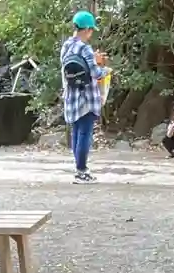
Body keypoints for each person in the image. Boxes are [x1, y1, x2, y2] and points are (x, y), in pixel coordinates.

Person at [61, 11, 110, 182]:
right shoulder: (85, 48)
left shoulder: (66, 46)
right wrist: (105, 69)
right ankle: (81, 171)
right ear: (87, 29)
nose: (91, 34)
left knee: (76, 133)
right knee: (84, 135)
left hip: (71, 97)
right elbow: (95, 73)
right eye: (91, 30)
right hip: (87, 98)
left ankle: (79, 169)